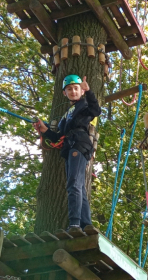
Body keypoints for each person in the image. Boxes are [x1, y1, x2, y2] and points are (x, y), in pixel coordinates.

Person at [33, 74, 101, 230]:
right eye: (69, 89)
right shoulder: (66, 116)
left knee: (73, 183)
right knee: (78, 185)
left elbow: (96, 110)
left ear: (81, 91)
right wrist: (45, 130)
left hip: (79, 144)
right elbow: (57, 137)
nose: (73, 91)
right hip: (69, 146)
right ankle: (86, 224)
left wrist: (89, 92)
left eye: (76, 88)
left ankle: (75, 223)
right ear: (64, 93)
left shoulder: (84, 105)